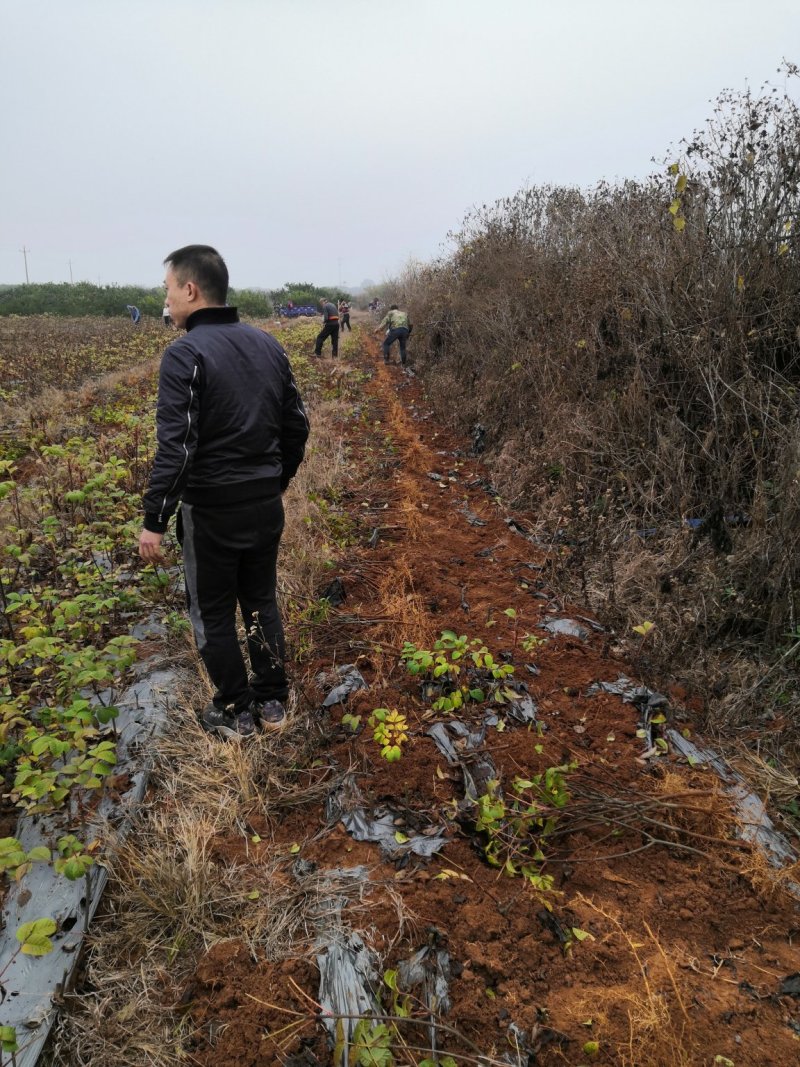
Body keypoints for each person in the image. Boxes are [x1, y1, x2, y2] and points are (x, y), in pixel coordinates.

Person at [139, 245, 310, 740]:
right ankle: (273, 701)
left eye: (169, 291)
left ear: (191, 290)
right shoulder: (268, 345)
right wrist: (272, 483)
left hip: (211, 511)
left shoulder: (185, 354)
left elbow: (177, 449)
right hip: (263, 504)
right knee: (261, 599)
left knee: (212, 611)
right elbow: (297, 426)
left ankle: (235, 710)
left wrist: (154, 520)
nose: (166, 301)